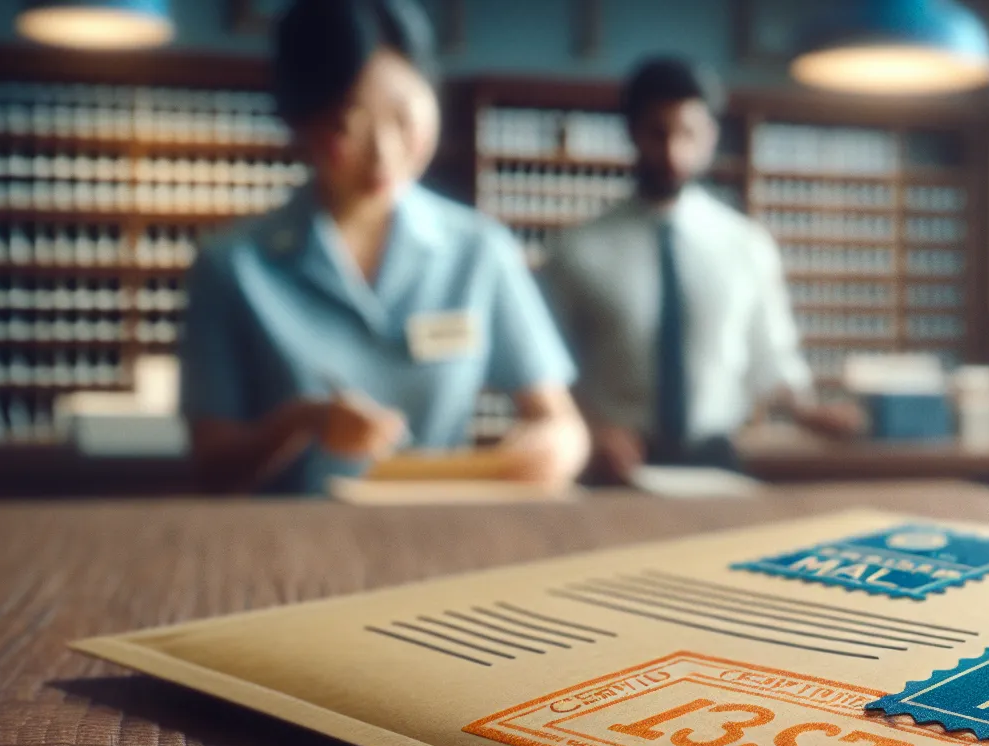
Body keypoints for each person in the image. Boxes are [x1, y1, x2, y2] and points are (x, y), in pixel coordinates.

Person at [179, 0, 588, 494]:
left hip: (442, 529)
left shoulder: (480, 251)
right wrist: (303, 423)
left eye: (404, 118)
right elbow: (210, 464)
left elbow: (561, 423)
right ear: (301, 120)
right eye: (346, 125)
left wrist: (548, 447)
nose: (383, 154)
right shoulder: (231, 265)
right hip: (285, 534)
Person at [544, 57, 859, 481]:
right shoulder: (578, 250)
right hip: (612, 463)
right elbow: (548, 369)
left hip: (715, 459)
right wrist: (593, 430)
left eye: (688, 133)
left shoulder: (746, 245)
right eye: (658, 133)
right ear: (632, 133)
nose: (673, 153)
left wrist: (807, 411)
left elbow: (771, 354)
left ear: (710, 135)